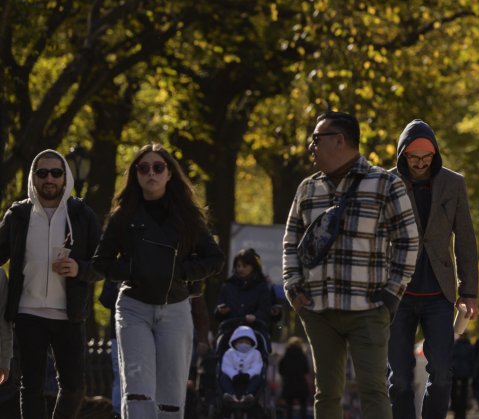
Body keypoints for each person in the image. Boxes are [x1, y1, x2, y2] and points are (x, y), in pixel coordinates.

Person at [282, 111, 421, 419]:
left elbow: (408, 241)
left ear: (340, 140)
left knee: (374, 390)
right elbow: (291, 241)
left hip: (368, 309)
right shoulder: (307, 188)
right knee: (326, 393)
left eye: (317, 139)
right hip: (317, 311)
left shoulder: (385, 184)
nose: (311, 147)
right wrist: (293, 288)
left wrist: (390, 294)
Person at [94, 144, 225, 419]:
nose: (150, 173)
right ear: (135, 175)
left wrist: (182, 272)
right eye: (143, 168)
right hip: (133, 308)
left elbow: (214, 259)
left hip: (175, 309)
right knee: (137, 390)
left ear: (169, 174)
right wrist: (133, 270)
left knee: (171, 396)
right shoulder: (123, 215)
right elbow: (101, 261)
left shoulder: (188, 216)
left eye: (157, 167)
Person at [0, 148, 103, 419]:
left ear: (64, 177)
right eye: (42, 173)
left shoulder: (82, 215)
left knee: (74, 387)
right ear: (33, 177)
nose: (49, 179)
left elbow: (102, 265)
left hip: (69, 315)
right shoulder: (18, 215)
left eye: (56, 173)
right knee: (30, 387)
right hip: (27, 313)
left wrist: (79, 268)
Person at [387, 120, 479, 419]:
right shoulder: (387, 184)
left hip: (439, 293)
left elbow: (465, 238)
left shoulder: (454, 184)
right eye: (413, 158)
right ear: (402, 155)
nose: (420, 164)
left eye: (426, 158)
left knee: (441, 373)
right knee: (399, 378)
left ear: (435, 155)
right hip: (397, 293)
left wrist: (469, 292)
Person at [215, 248, 276, 336]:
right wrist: (220, 311)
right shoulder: (228, 285)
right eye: (238, 266)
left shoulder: (263, 286)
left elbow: (266, 309)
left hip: (256, 331)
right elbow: (218, 309)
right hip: (230, 331)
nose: (240, 269)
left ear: (253, 267)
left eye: (244, 266)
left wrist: (256, 317)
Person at [218, 325, 263, 402]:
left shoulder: (256, 353)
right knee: (223, 378)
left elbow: (257, 366)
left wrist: (248, 374)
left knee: (257, 378)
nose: (244, 344)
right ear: (235, 341)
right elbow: (226, 366)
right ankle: (231, 394)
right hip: (233, 379)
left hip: (249, 379)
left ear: (252, 342)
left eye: (247, 342)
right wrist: (234, 375)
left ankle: (248, 395)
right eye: (241, 341)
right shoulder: (229, 353)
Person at [277, 337, 312, 419]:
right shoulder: (302, 356)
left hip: (288, 384)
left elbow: (280, 371)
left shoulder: (285, 357)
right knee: (303, 407)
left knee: (289, 407)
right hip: (301, 384)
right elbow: (306, 370)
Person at [450, 332, 476, 419]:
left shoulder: (469, 347)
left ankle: (462, 413)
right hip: (455, 373)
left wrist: (472, 374)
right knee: (454, 394)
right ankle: (456, 411)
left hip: (465, 374)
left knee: (463, 395)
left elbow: (472, 361)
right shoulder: (454, 345)